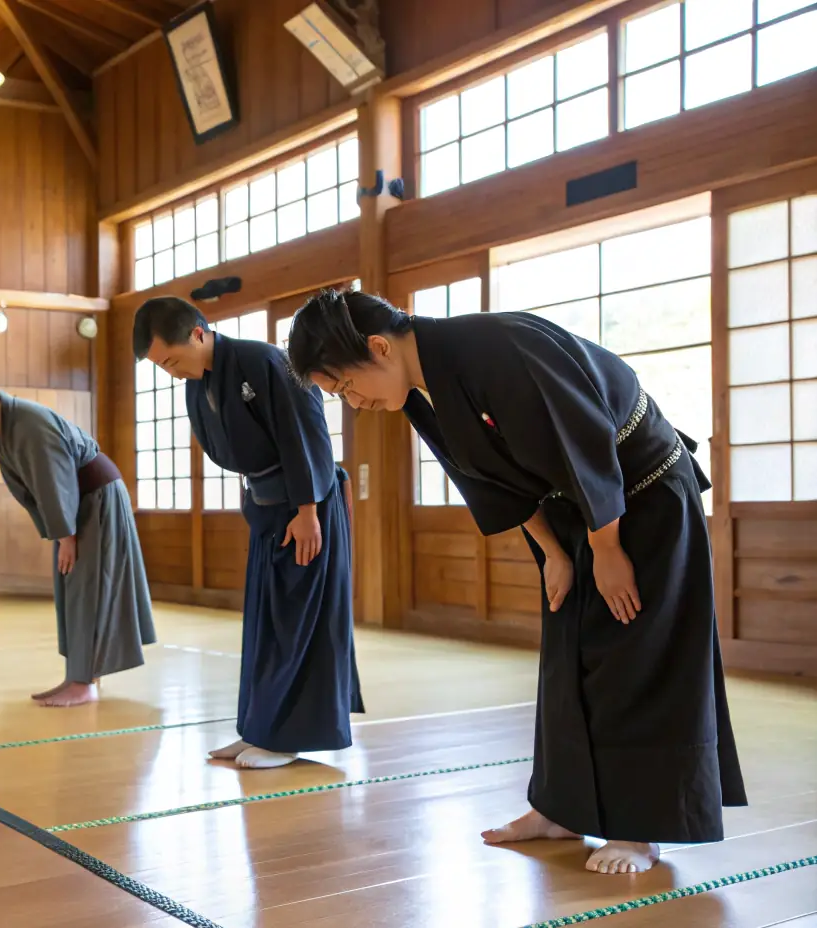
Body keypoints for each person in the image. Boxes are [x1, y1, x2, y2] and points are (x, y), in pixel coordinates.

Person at [287, 290, 746, 874]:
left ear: (378, 348)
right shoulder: (421, 389)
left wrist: (607, 552)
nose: (354, 403)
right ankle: (561, 808)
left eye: (347, 387)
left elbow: (586, 446)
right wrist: (554, 551)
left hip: (643, 497)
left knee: (638, 654)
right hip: (578, 514)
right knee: (566, 657)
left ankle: (641, 829)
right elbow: (490, 481)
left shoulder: (497, 349)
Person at [133, 297, 363, 769]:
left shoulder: (264, 361)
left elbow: (308, 431)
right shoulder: (200, 382)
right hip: (267, 508)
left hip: (305, 508)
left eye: (172, 360)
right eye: (162, 366)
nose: (171, 372)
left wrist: (307, 510)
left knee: (297, 623)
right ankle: (257, 728)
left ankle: (288, 737)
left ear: (198, 333)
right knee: (264, 626)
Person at [0, 368, 155, 706]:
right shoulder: (8, 425)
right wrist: (62, 532)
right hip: (80, 505)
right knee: (75, 589)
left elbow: (55, 480)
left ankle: (84, 683)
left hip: (95, 502)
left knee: (87, 588)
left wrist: (65, 535)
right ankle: (79, 677)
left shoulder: (28, 423)